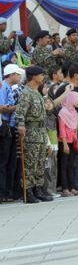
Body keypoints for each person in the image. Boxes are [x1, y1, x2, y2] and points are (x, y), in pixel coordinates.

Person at [15, 65, 54, 203]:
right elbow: (20, 113)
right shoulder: (26, 93)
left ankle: (38, 189)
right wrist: (20, 126)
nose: (43, 77)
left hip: (41, 132)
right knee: (30, 163)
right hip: (31, 133)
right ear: (33, 76)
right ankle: (28, 191)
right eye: (41, 74)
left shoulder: (36, 92)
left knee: (40, 162)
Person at [0, 64, 24, 202]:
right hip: (5, 125)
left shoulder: (10, 88)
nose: (19, 77)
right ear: (11, 75)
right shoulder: (3, 87)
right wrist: (17, 106)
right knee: (4, 161)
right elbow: (3, 108)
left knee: (12, 162)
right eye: (17, 74)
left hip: (12, 125)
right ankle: (3, 192)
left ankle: (10, 191)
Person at [58, 91, 78, 197]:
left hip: (73, 141)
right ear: (71, 99)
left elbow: (75, 128)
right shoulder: (62, 112)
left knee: (71, 165)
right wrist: (64, 143)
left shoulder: (75, 112)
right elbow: (62, 129)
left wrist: (76, 139)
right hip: (65, 142)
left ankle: (72, 187)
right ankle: (65, 188)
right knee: (64, 165)